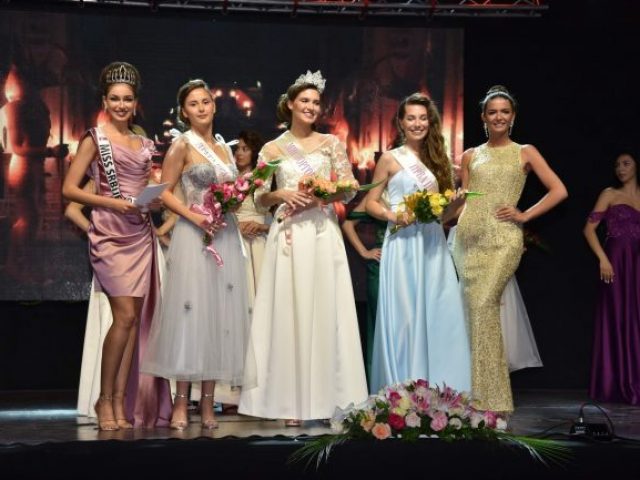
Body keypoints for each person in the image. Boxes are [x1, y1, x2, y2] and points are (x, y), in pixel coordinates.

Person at [238, 71, 368, 426]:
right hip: (290, 235)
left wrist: (324, 192)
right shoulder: (272, 148)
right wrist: (280, 193)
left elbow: (350, 188)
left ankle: (331, 401)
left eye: (316, 102)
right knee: (289, 311)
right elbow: (259, 197)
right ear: (291, 104)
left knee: (326, 310)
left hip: (323, 233)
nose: (311, 107)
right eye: (305, 101)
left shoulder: (331, 144)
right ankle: (290, 402)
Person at [62, 61, 171, 430]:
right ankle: (104, 399)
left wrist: (151, 201)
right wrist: (111, 202)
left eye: (127, 99)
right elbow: (69, 190)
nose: (121, 105)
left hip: (139, 234)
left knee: (133, 322)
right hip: (109, 235)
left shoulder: (144, 143)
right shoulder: (95, 139)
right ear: (105, 102)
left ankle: (121, 401)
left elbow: (145, 188)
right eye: (115, 99)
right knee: (123, 317)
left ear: (135, 103)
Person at [141, 79, 250, 430]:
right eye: (193, 104)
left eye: (205, 102)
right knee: (191, 316)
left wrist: (233, 202)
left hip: (224, 235)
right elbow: (162, 191)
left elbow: (232, 191)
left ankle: (207, 405)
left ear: (214, 106)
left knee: (218, 319)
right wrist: (194, 216)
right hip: (193, 234)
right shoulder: (182, 144)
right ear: (184, 112)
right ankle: (180, 404)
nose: (201, 108)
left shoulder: (223, 148)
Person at [451, 85, 568, 412]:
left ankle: (493, 399)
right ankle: (472, 395)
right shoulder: (470, 155)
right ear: (483, 118)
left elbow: (559, 190)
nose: (498, 117)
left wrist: (525, 215)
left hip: (503, 239)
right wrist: (450, 206)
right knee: (472, 313)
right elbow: (466, 200)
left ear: (513, 116)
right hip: (468, 240)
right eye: (492, 112)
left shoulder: (525, 151)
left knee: (484, 305)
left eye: (504, 111)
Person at [364, 93, 471, 395]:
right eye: (411, 118)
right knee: (406, 316)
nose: (417, 123)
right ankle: (403, 388)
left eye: (423, 118)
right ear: (401, 122)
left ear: (430, 121)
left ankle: (440, 388)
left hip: (432, 243)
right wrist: (392, 215)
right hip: (402, 244)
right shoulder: (390, 158)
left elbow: (443, 216)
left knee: (438, 311)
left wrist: (456, 203)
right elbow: (370, 203)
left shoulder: (438, 161)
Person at [584, 152, 640, 405]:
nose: (621, 168)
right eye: (617, 165)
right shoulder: (609, 194)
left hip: (637, 264)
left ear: (636, 166)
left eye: (626, 164)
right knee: (617, 317)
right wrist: (603, 259)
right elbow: (589, 230)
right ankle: (615, 383)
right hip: (615, 262)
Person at [341, 195, 386, 385]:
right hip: (382, 265)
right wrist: (364, 251)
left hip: (410, 264)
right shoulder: (377, 196)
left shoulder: (421, 187)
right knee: (379, 325)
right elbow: (347, 224)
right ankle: (379, 383)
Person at [233, 130, 269, 306]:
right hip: (234, 242)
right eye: (237, 148)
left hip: (259, 243)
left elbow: (281, 218)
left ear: (254, 152)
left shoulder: (264, 181)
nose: (239, 153)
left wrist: (261, 227)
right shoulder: (228, 179)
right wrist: (234, 226)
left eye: (245, 149)